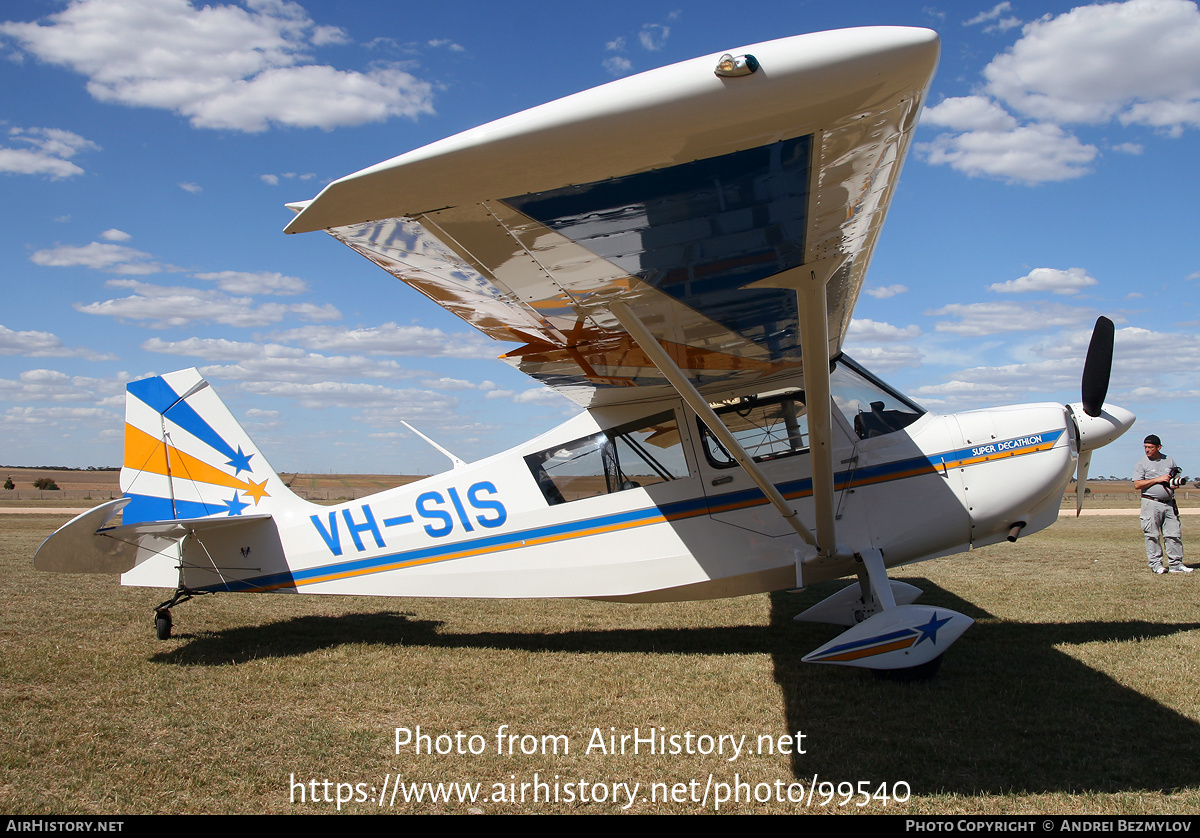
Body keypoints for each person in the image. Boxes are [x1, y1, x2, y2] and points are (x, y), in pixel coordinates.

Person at [1133, 434, 1189, 574]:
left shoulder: (1169, 461)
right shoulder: (1142, 463)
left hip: (1169, 503)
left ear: (1159, 447)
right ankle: (1156, 565)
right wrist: (1158, 479)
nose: (1147, 450)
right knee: (1152, 535)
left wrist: (1174, 484)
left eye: (1150, 447)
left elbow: (1172, 479)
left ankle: (1176, 564)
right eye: (1145, 447)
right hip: (1151, 503)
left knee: (1173, 534)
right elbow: (1137, 484)